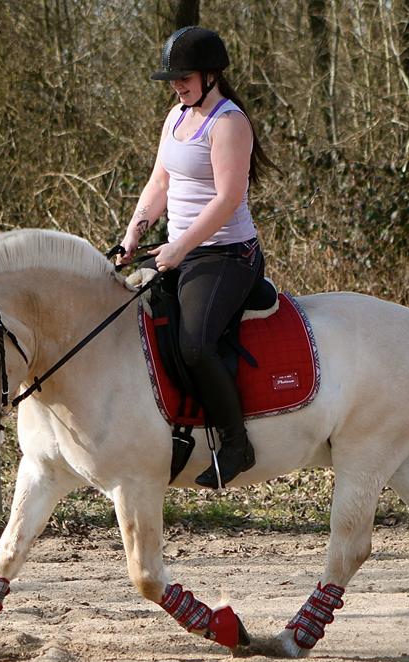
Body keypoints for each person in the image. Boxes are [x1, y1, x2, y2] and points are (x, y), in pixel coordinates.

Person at [120, 26, 276, 489]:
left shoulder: (229, 122)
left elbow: (228, 199)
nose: (176, 84)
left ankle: (234, 444)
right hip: (177, 250)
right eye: (172, 78)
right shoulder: (175, 117)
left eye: (183, 77)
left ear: (211, 75)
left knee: (194, 343)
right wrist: (134, 234)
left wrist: (180, 247)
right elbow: (160, 185)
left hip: (226, 254)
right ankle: (173, 428)